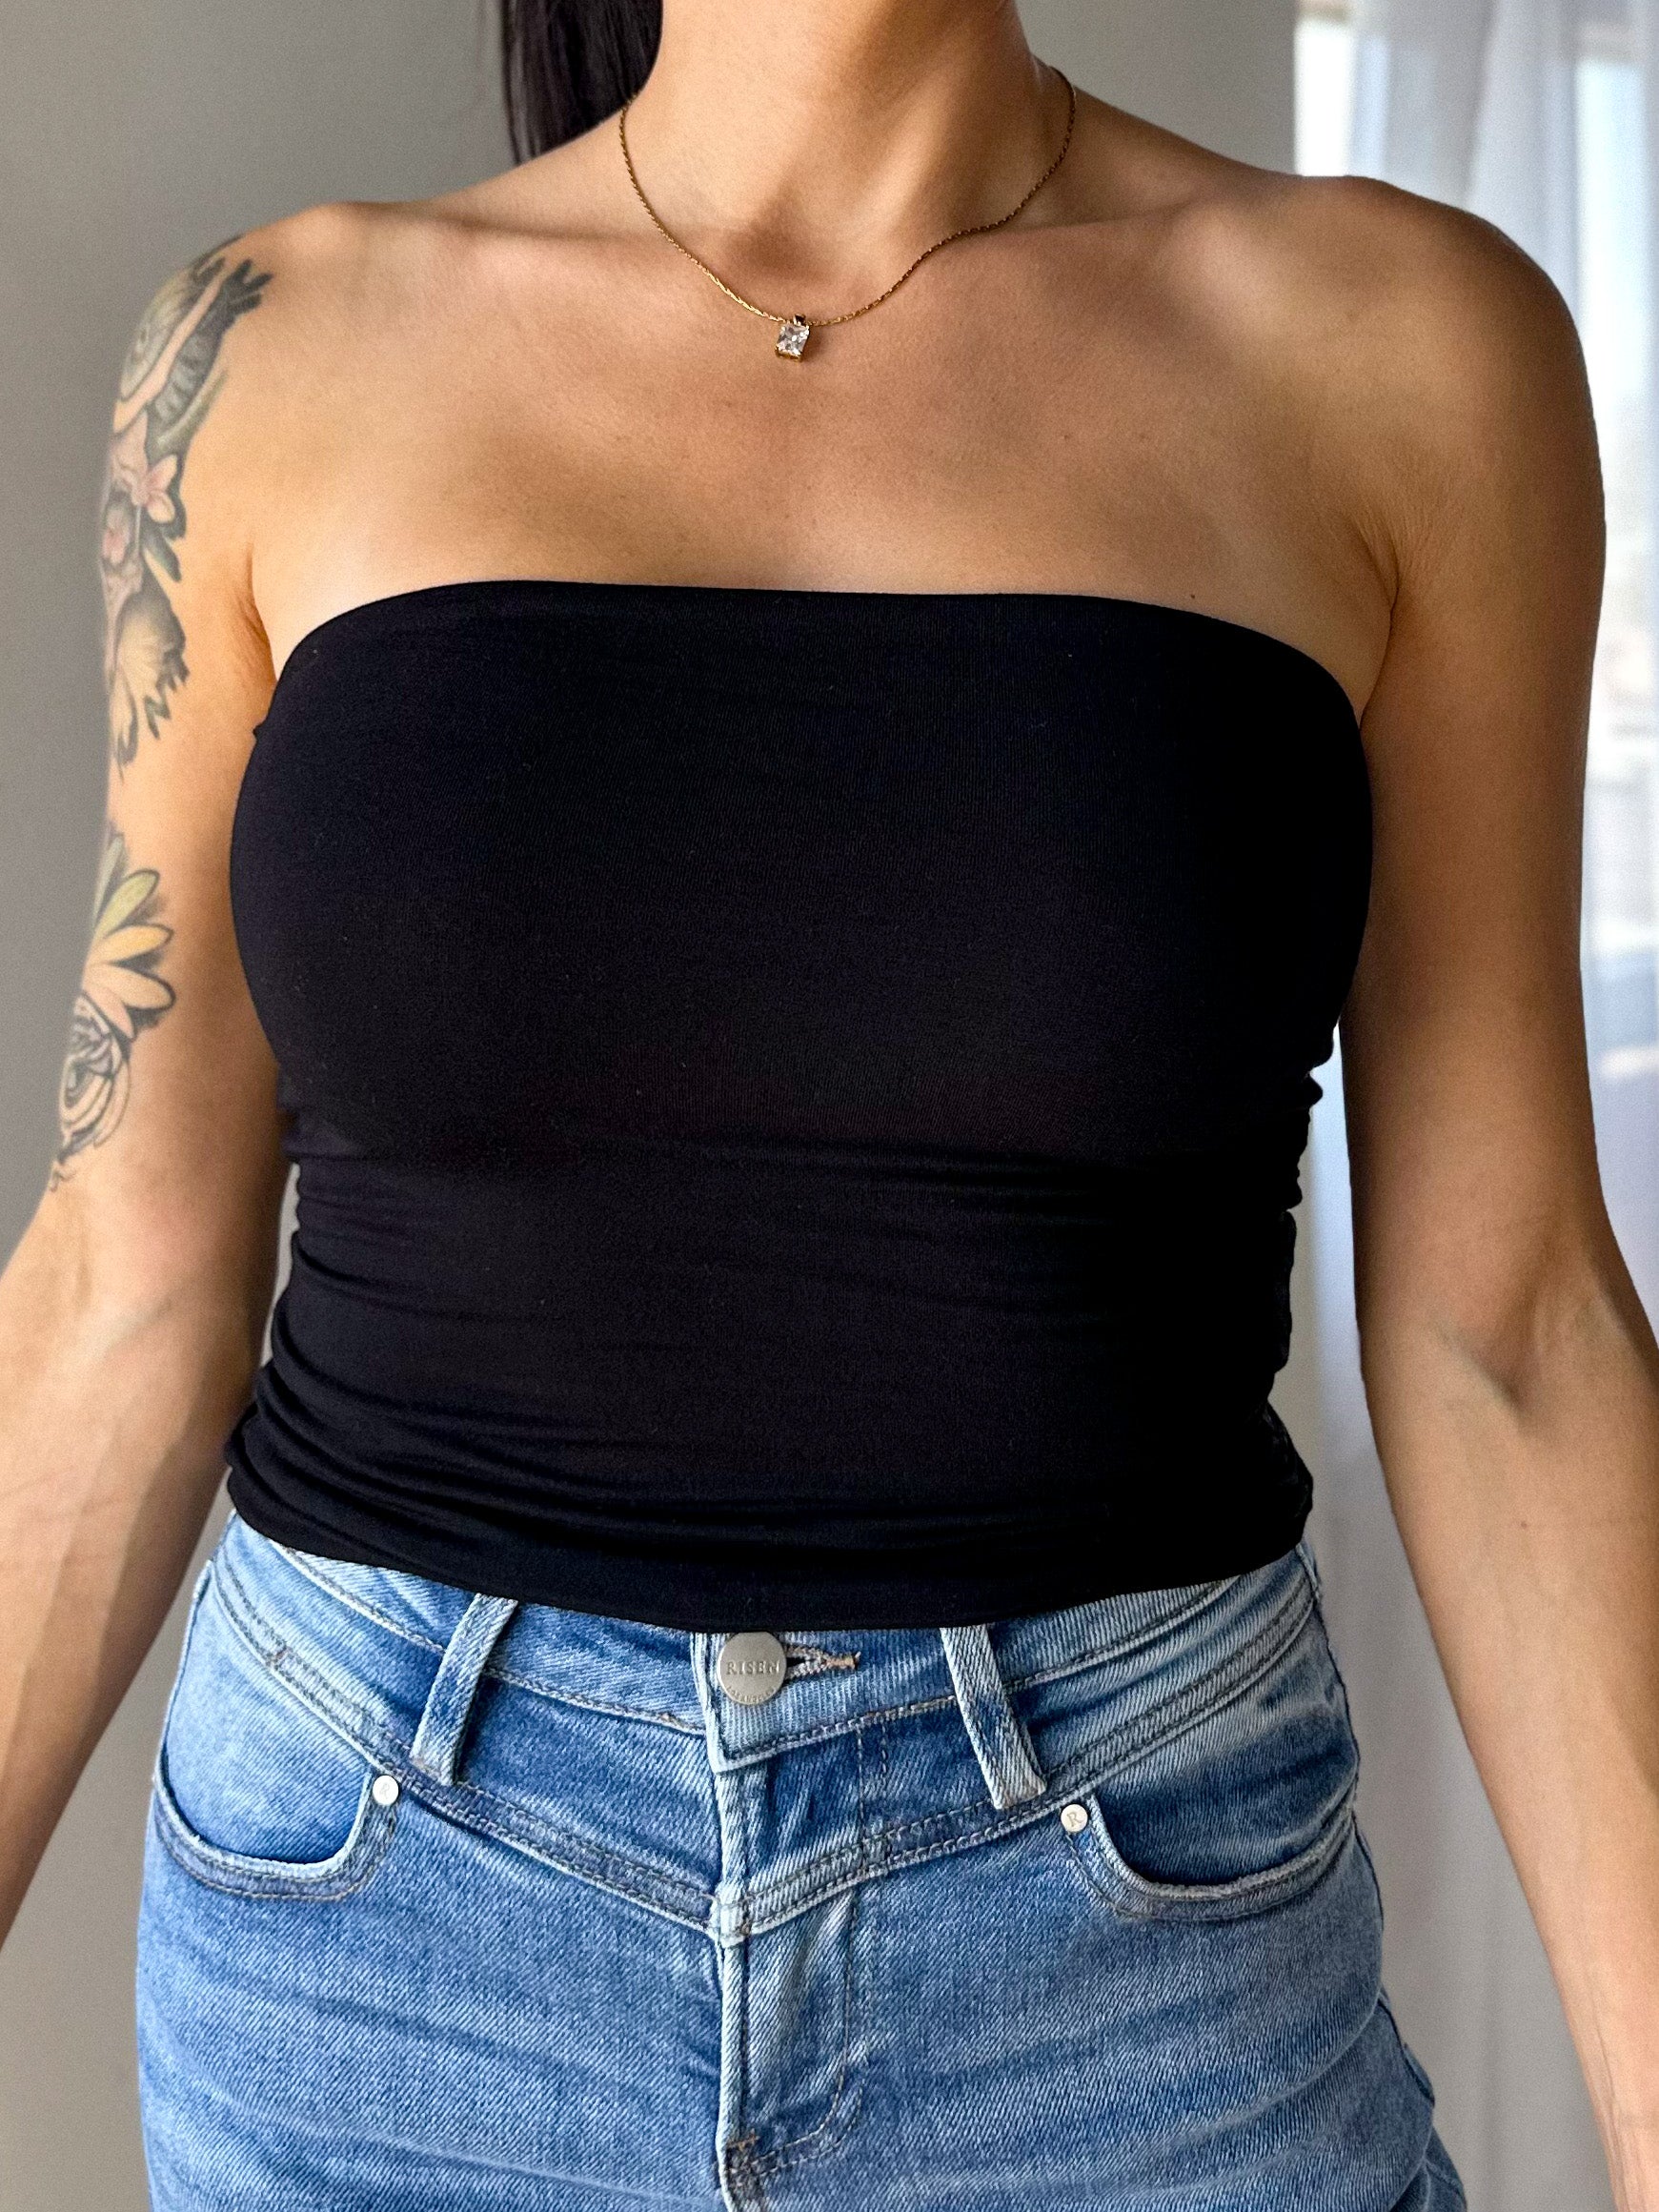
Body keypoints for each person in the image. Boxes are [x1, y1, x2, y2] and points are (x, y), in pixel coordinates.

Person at [1, 0, 1653, 2202]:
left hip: (1131, 1948)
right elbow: (119, 1284)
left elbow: (1506, 1330)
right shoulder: (270, 349)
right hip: (382, 1933)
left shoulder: (1403, 348)